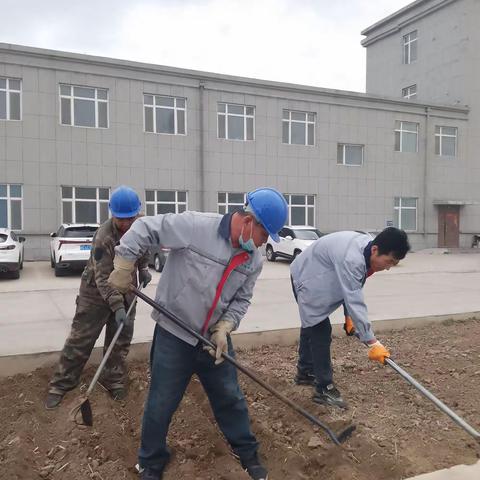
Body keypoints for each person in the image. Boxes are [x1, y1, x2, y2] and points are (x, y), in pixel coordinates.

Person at [107, 188, 288, 480]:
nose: (264, 243)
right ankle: (151, 462)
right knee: (161, 401)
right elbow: (144, 227)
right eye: (265, 235)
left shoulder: (252, 259)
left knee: (230, 397)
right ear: (248, 223)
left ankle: (247, 452)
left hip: (212, 339)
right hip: (174, 333)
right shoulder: (195, 226)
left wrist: (226, 326)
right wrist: (124, 263)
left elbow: (241, 299)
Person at [45, 186, 152, 409]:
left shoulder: (140, 227)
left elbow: (143, 248)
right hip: (95, 292)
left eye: (129, 219)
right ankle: (62, 383)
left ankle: (112, 379)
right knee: (81, 339)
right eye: (120, 219)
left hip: (127, 287)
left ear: (136, 214)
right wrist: (116, 305)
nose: (125, 224)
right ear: (112, 214)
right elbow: (103, 278)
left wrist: (143, 268)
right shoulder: (104, 236)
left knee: (120, 340)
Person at [290, 227, 410, 409]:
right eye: (388, 261)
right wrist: (372, 341)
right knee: (319, 329)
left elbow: (354, 285)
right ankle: (324, 388)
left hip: (318, 272)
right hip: (306, 278)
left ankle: (305, 371)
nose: (387, 268)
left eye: (393, 264)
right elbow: (354, 298)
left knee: (312, 323)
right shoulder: (352, 258)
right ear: (376, 250)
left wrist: (349, 316)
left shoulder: (366, 249)